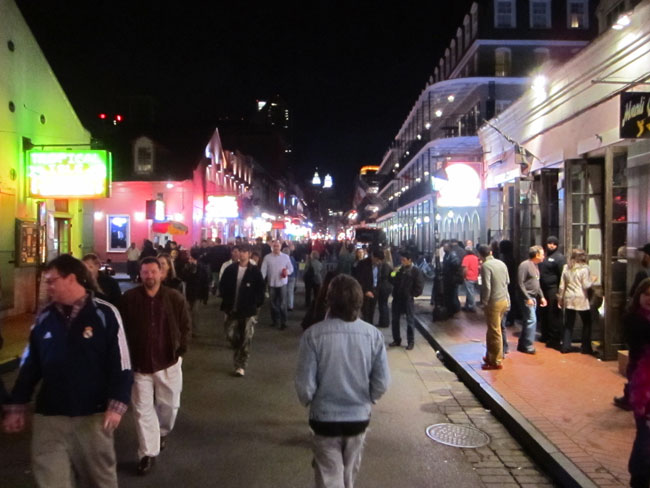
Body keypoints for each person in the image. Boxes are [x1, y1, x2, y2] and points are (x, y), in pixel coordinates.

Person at [2, 254, 132, 487]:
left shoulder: (105, 313)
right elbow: (30, 364)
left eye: (52, 281)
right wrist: (16, 404)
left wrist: (117, 404)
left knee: (100, 481)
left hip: (93, 417)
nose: (47, 287)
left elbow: (121, 363)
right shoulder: (45, 318)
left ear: (71, 279)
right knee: (51, 481)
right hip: (50, 417)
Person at [295, 274, 390, 488]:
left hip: (324, 418)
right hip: (358, 417)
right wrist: (368, 398)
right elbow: (381, 382)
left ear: (329, 300)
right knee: (349, 475)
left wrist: (310, 400)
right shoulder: (373, 335)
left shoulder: (313, 336)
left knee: (329, 477)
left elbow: (305, 385)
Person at [120, 257, 191, 476]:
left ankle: (161, 432)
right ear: (140, 274)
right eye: (145, 272)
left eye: (153, 272)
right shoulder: (129, 298)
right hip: (139, 364)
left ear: (161, 273)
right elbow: (120, 329)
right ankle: (147, 453)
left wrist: (180, 351)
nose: (149, 276)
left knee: (169, 407)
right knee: (142, 411)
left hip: (167, 363)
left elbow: (185, 326)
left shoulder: (174, 298)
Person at [219, 245, 265, 377]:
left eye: (244, 252)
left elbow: (260, 289)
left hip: (247, 309)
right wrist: (225, 297)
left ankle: (240, 365)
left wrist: (256, 304)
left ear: (249, 254)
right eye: (240, 252)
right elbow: (223, 285)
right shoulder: (231, 269)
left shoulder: (254, 271)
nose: (241, 254)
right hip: (231, 307)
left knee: (246, 338)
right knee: (230, 333)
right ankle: (238, 348)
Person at [626, 279, 650, 487]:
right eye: (647, 294)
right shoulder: (636, 319)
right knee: (644, 432)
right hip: (643, 381)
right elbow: (637, 348)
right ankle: (639, 476)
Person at [616, 278, 650, 411]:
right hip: (639, 364)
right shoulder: (632, 318)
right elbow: (635, 342)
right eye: (646, 294)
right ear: (639, 295)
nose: (649, 298)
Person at [558, 249, 597, 354]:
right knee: (587, 322)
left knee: (568, 323)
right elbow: (585, 285)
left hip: (568, 297)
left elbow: (562, 285)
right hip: (580, 298)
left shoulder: (566, 267)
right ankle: (586, 347)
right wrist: (593, 280)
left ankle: (565, 346)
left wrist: (560, 298)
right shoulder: (585, 269)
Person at [478, 245, 510, 370]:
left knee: (495, 331)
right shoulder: (501, 263)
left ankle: (496, 360)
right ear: (491, 252)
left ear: (480, 255)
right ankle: (490, 355)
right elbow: (506, 282)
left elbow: (487, 286)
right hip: (503, 299)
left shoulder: (486, 266)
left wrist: (484, 302)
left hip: (494, 301)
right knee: (493, 329)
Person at [389, 251, 424, 350]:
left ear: (410, 260)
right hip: (397, 298)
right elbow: (390, 278)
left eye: (404, 260)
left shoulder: (415, 271)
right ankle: (396, 339)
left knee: (410, 320)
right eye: (401, 260)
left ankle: (410, 341)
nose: (402, 262)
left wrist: (411, 294)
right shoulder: (399, 270)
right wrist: (393, 271)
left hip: (407, 299)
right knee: (395, 320)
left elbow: (419, 286)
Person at [517, 245, 547, 354]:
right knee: (531, 320)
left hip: (533, 297)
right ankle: (528, 345)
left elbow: (536, 283)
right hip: (527, 297)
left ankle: (523, 344)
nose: (544, 256)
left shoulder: (535, 266)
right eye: (542, 254)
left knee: (528, 321)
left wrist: (542, 296)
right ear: (537, 254)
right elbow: (520, 283)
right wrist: (527, 297)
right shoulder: (525, 265)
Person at [538, 236, 566, 349]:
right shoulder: (543, 256)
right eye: (550, 243)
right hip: (543, 288)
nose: (551, 245)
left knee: (553, 314)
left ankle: (554, 338)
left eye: (554, 243)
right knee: (543, 312)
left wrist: (560, 292)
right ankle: (545, 334)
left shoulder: (559, 258)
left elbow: (562, 275)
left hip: (553, 289)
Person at [261, 240, 294, 330]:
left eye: (277, 246)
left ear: (280, 247)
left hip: (282, 283)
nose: (276, 248)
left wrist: (287, 272)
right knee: (272, 303)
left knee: (283, 304)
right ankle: (275, 320)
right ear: (272, 247)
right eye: (274, 246)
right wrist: (261, 279)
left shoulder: (285, 257)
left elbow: (291, 268)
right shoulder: (267, 257)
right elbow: (263, 270)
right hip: (271, 283)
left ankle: (284, 322)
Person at [181, 249, 211, 337]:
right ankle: (189, 329)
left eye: (191, 257)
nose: (190, 259)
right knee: (188, 311)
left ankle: (194, 330)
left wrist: (205, 296)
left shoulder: (202, 267)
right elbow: (184, 277)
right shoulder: (187, 266)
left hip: (197, 293)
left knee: (195, 311)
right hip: (189, 292)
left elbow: (205, 282)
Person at [461, 247, 480, 312]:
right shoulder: (476, 258)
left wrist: (463, 276)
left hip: (469, 276)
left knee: (470, 292)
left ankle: (472, 306)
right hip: (475, 276)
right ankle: (467, 305)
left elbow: (465, 269)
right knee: (470, 291)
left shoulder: (466, 258)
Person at [283, 245, 298, 311]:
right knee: (290, 292)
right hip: (292, 276)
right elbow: (295, 268)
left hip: (284, 276)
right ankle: (290, 305)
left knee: (284, 291)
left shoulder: (282, 259)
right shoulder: (292, 258)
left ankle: (284, 305)